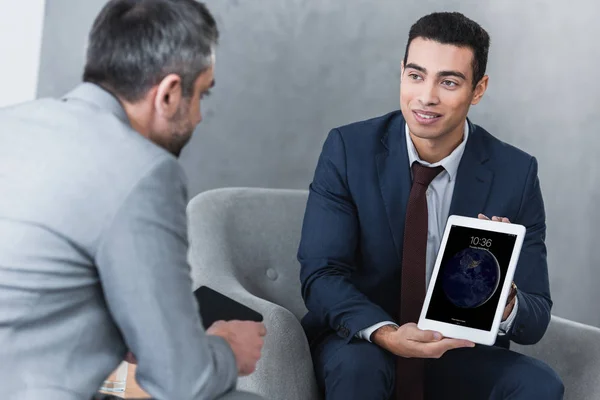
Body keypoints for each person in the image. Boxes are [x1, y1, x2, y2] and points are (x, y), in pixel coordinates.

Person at [0, 1, 265, 399]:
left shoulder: (12, 123)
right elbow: (182, 382)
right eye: (201, 97)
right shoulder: (145, 171)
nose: (198, 118)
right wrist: (229, 348)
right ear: (169, 94)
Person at [298, 11, 564, 400]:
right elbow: (321, 275)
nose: (426, 96)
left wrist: (505, 300)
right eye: (416, 75)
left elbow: (535, 316)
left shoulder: (515, 173)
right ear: (401, 72)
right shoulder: (348, 150)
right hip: (364, 340)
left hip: (454, 348)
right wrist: (388, 334)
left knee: (540, 385)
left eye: (449, 81)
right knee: (360, 370)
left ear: (478, 89)